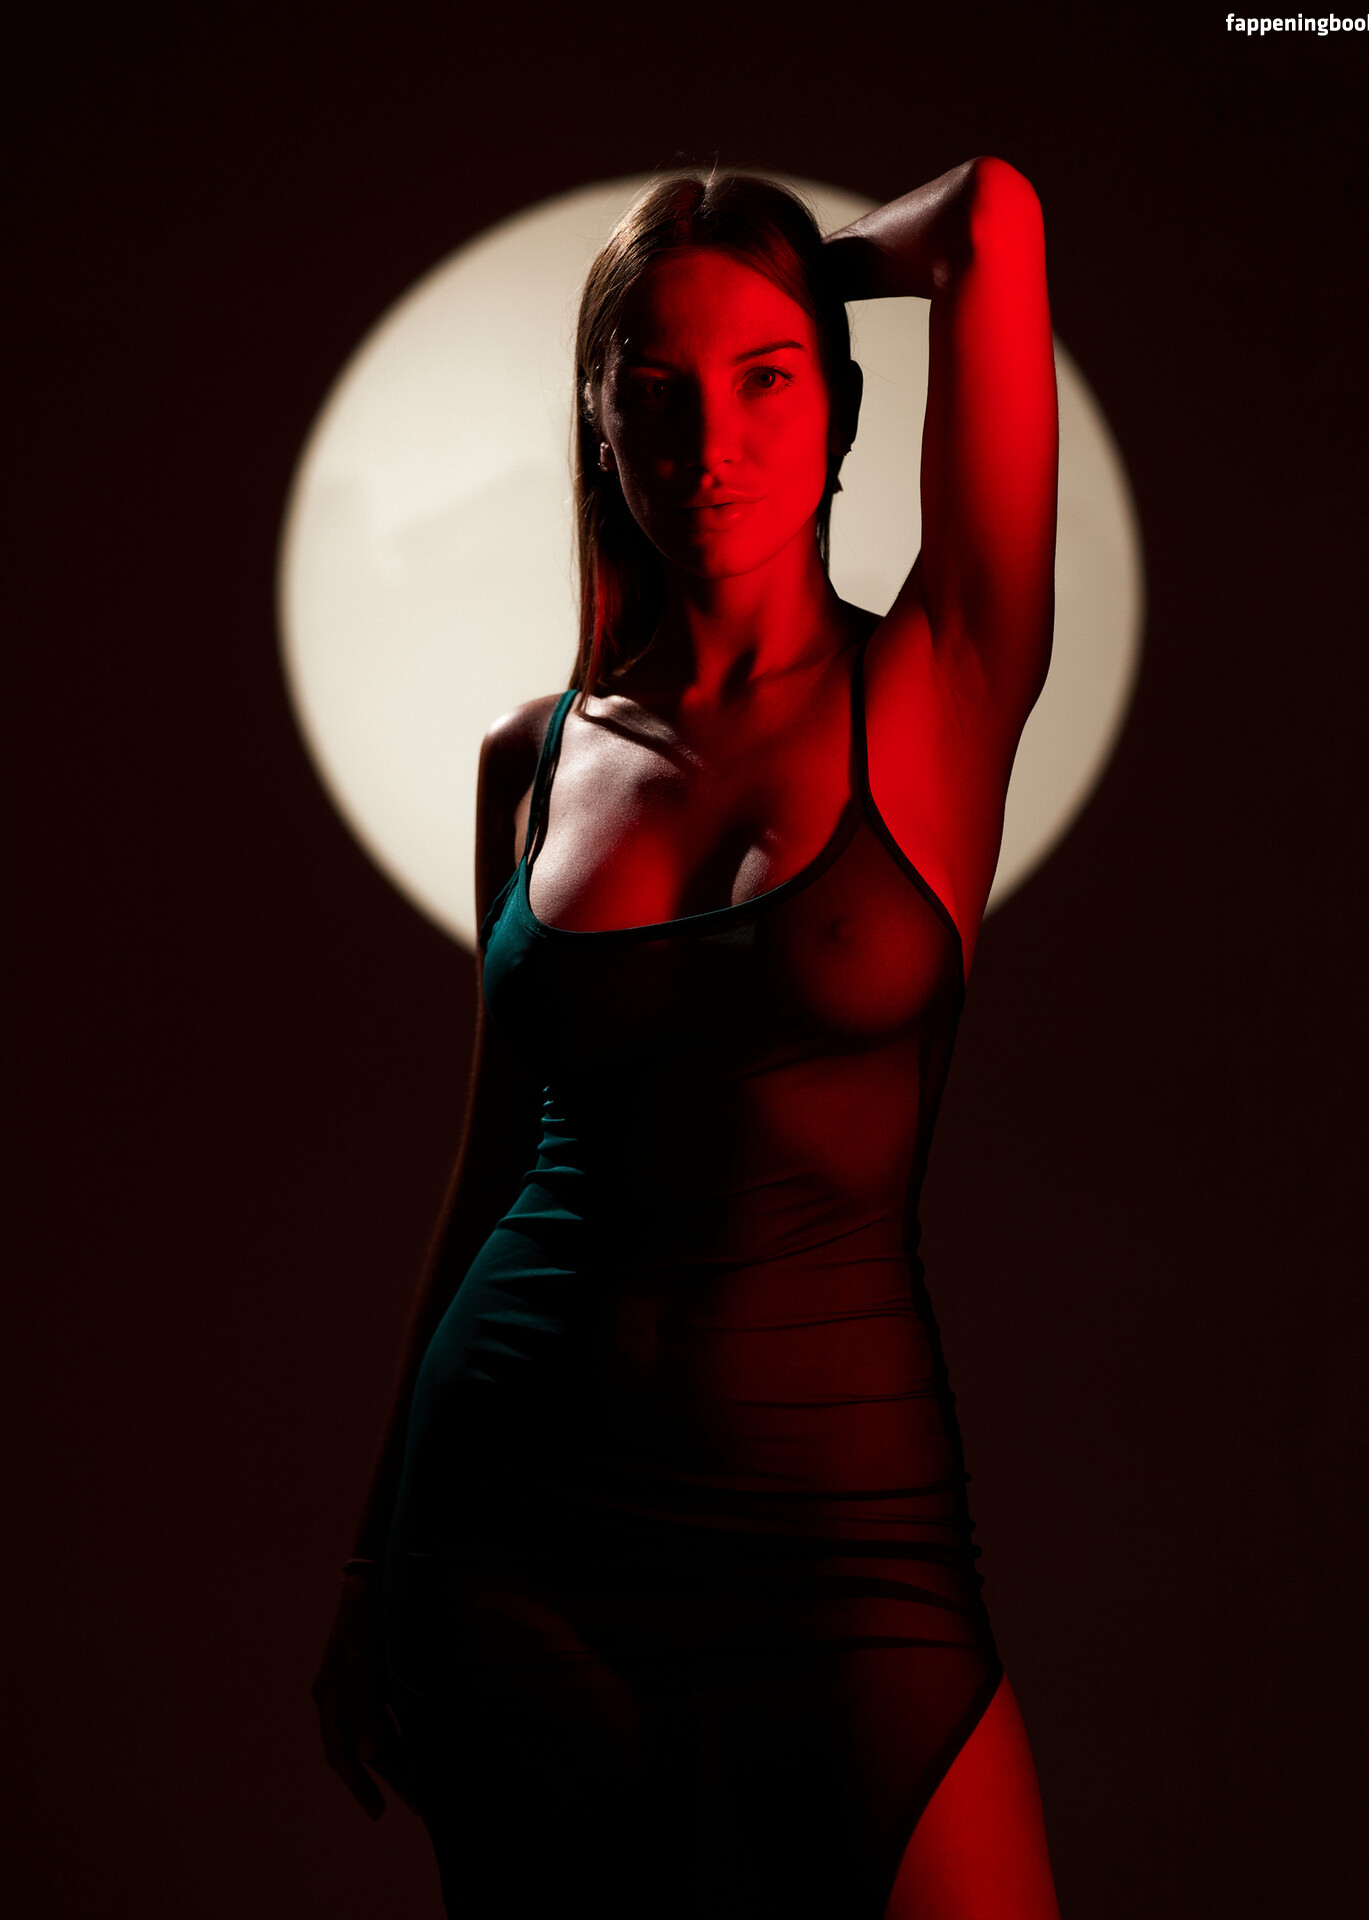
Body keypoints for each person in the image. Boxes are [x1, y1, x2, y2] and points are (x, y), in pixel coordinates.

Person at [314, 159, 1061, 1920]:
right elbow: (492, 1168)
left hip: (840, 1548)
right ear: (599, 426)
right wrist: (366, 1564)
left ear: (845, 408)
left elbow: (993, 219)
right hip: (510, 1538)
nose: (709, 443)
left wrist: (795, 259)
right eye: (652, 391)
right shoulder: (530, 757)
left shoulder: (940, 682)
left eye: (765, 379)